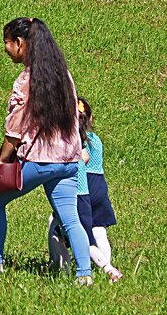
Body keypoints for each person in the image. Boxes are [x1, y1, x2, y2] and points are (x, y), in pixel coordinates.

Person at [0, 17, 94, 284]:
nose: (6, 49)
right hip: (69, 159)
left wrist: (2, 161)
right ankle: (84, 275)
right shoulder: (63, 75)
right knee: (70, 217)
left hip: (42, 159)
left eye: (7, 43)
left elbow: (14, 130)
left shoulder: (26, 79)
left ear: (20, 43)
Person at [48, 97, 123, 281]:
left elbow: (83, 158)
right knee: (99, 230)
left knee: (60, 229)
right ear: (89, 118)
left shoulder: (73, 141)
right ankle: (104, 264)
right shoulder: (95, 139)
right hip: (99, 185)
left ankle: (65, 268)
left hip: (81, 189)